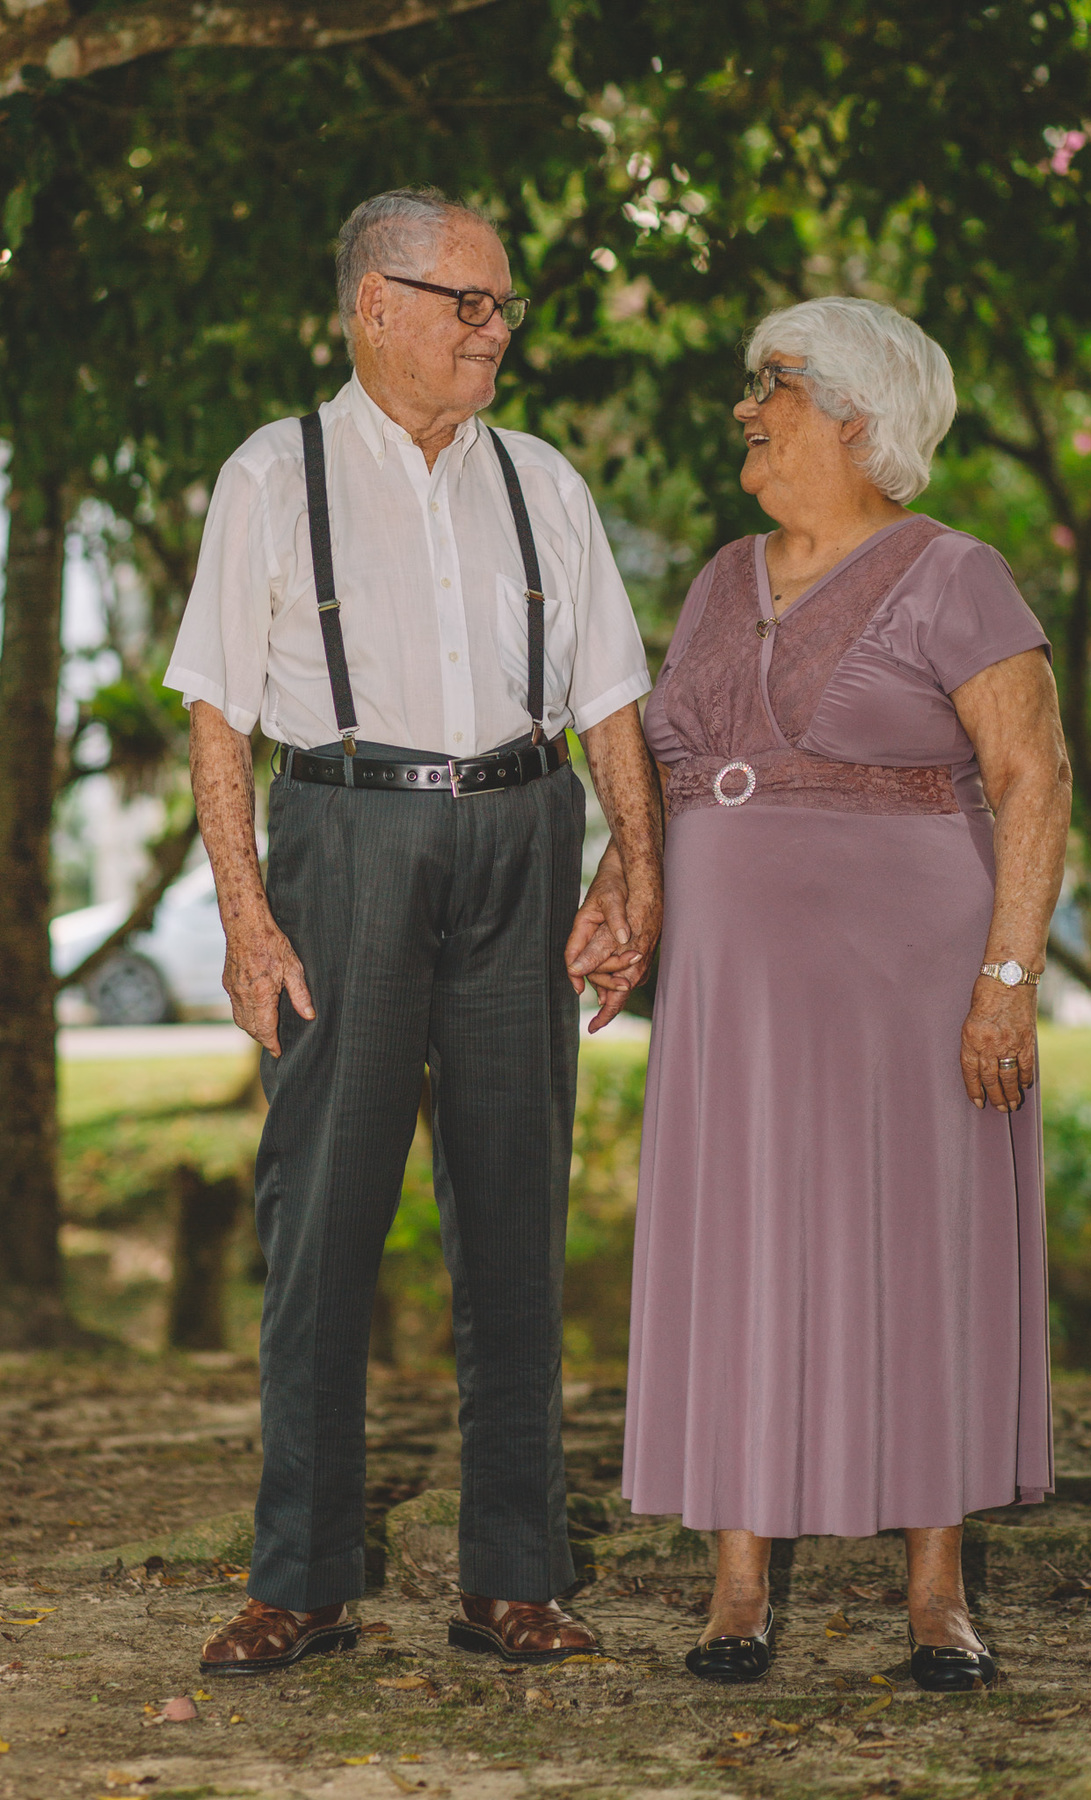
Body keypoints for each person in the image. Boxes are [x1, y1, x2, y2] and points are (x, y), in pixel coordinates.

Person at [164, 188, 662, 1674]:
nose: (496, 330)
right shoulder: (272, 474)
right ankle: (300, 1575)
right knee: (321, 1216)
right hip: (348, 841)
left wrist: (636, 875)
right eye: (470, 303)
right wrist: (249, 925)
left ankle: (516, 1575)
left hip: (525, 829)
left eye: (504, 306)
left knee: (514, 1208)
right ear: (376, 304)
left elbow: (613, 702)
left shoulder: (543, 481)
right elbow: (216, 719)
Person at [611, 296, 1071, 1688]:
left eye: (780, 384)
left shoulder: (958, 572)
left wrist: (1006, 982)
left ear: (861, 417)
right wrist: (613, 896)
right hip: (733, 997)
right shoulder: (716, 578)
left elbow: (1033, 780)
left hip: (912, 983)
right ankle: (736, 1583)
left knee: (920, 1244)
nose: (750, 404)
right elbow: (668, 769)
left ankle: (939, 1592)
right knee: (737, 1241)